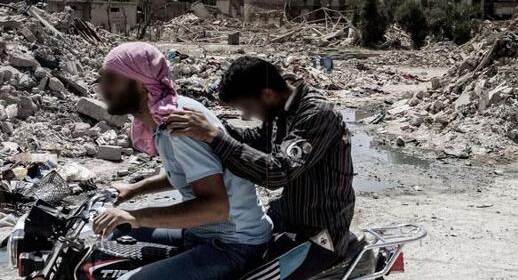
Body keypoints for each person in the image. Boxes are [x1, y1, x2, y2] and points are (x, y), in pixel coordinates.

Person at [165, 56, 355, 279]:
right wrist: (216, 127)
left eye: (247, 107)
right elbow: (259, 139)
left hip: (318, 234)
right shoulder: (281, 109)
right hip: (287, 220)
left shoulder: (317, 114)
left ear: (267, 94)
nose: (246, 115)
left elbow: (278, 172)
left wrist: (215, 137)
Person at [93, 42, 270, 280]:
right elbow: (189, 174)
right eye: (102, 79)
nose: (103, 88)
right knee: (111, 238)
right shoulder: (164, 117)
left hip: (233, 243)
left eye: (112, 79)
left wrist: (136, 216)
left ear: (141, 83)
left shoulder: (179, 124)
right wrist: (134, 189)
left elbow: (216, 207)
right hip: (203, 233)